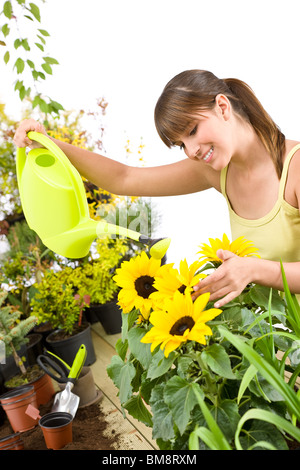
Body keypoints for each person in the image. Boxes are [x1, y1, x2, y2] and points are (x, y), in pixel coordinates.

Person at [13, 69, 300, 308]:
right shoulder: (219, 172)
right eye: (181, 145)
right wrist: (48, 142)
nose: (191, 151)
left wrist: (253, 269)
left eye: (192, 131)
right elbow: (124, 179)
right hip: (265, 341)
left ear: (223, 107)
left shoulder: (295, 167)